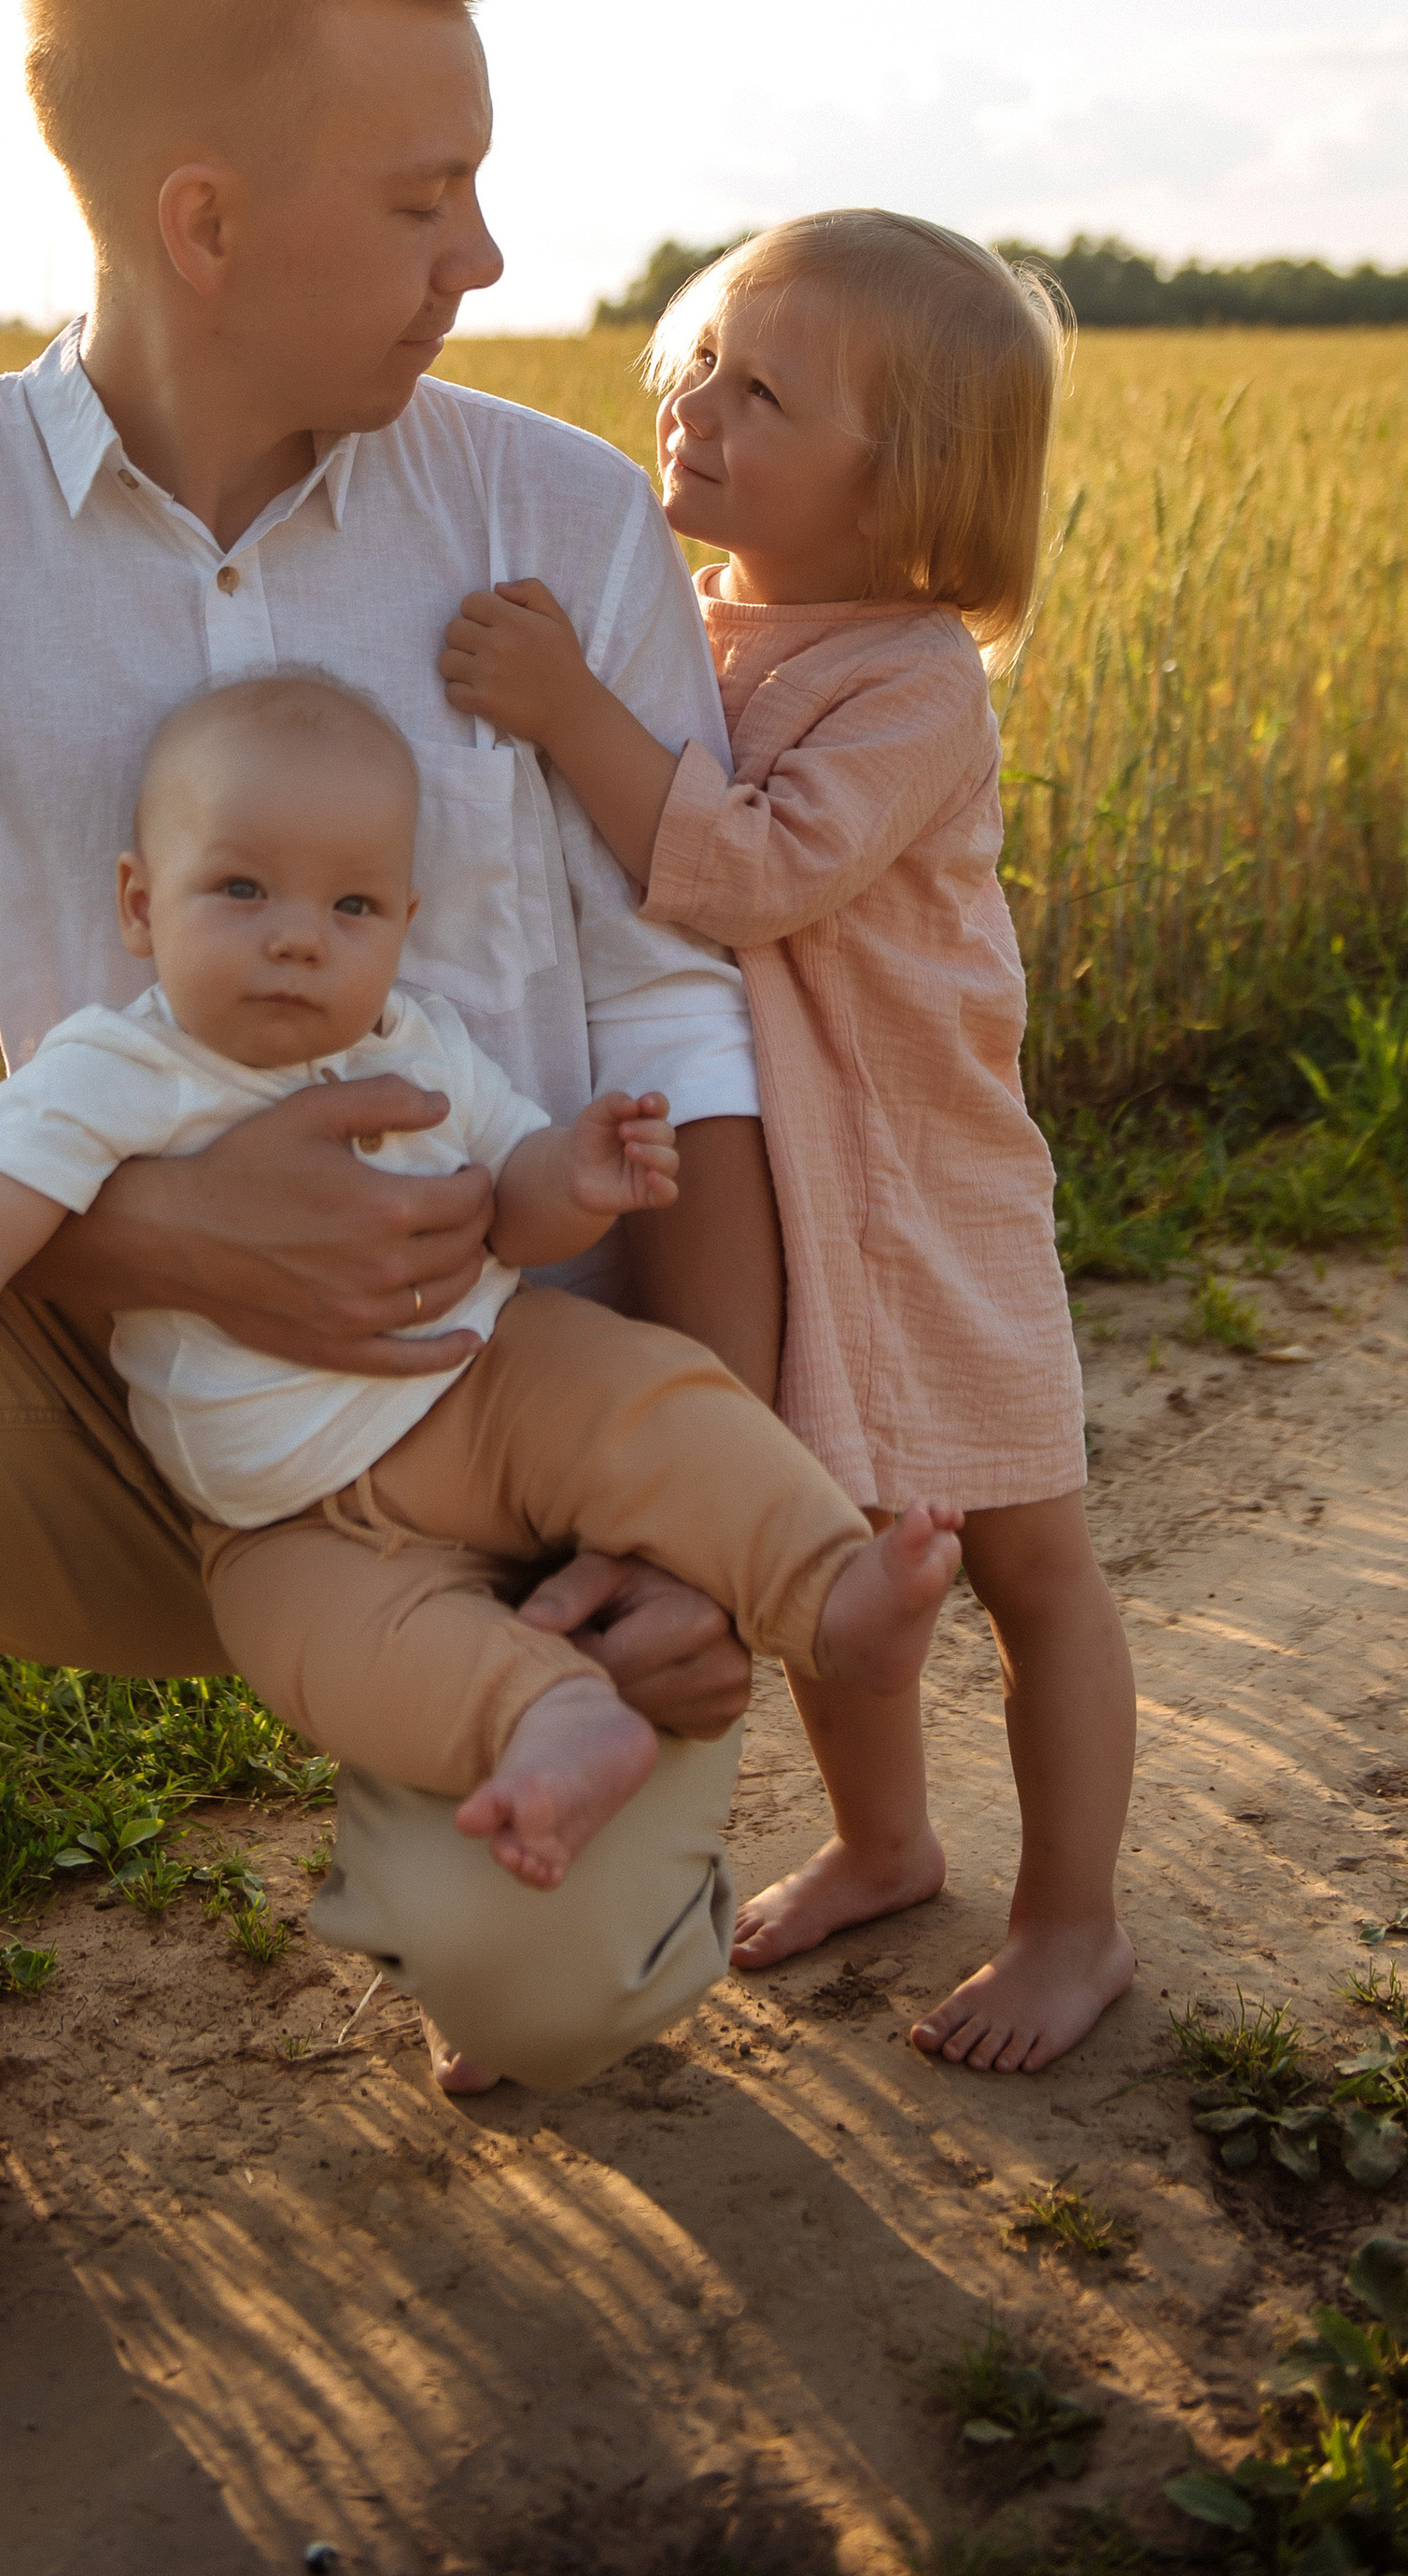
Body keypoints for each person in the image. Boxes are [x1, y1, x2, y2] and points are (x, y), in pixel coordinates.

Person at [0, 0, 787, 2422]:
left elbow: (692, 1032)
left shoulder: (552, 523)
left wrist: (721, 1524)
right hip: (139, 1440)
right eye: (425, 193)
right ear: (204, 215)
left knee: (547, 1993)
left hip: (515, 1443)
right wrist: (157, 1237)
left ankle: (467, 1812)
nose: (485, 251)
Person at [0, 668, 965, 1888]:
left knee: (649, 1400)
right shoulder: (113, 1072)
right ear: (140, 904)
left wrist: (571, 1176)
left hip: (490, 1395)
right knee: (331, 1649)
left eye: (353, 904)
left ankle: (828, 1583)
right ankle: (547, 1722)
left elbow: (511, 1205)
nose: (299, 934)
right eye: (242, 888)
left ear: (405, 923)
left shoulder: (418, 1046)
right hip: (281, 1517)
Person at [439, 208, 1138, 2075]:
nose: (696, 409)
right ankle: (885, 1843)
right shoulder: (694, 627)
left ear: (900, 476)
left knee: (1021, 1563)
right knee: (835, 1540)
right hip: (796, 1195)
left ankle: (1070, 1924)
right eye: (697, 364)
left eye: (762, 393)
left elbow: (751, 875)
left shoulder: (908, 678)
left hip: (925, 1193)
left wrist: (569, 709)